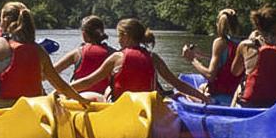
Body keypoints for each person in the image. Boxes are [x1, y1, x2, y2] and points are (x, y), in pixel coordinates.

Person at [71, 18, 209, 102]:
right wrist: (205, 99)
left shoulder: (117, 57)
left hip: (120, 108)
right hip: (145, 107)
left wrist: (61, 90)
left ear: (126, 36)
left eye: (119, 36)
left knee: (105, 91)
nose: (118, 40)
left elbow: (89, 81)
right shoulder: (153, 57)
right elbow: (177, 83)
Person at [180, 7, 244, 101]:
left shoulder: (219, 42)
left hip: (218, 98)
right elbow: (228, 62)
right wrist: (201, 55)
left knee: (181, 94)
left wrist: (192, 59)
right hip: (234, 98)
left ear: (218, 24)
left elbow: (210, 76)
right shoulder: (243, 44)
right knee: (202, 86)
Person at [52, 15, 116, 97]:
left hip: (78, 98)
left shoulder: (77, 53)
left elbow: (51, 72)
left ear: (84, 34)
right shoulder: (115, 54)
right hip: (103, 100)